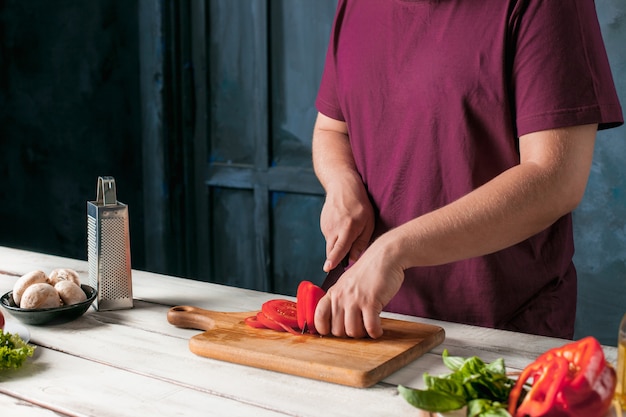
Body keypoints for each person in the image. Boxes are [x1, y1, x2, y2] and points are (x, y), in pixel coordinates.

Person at [311, 0, 623, 340]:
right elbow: (331, 129)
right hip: (366, 320)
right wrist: (341, 183)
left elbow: (556, 179)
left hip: (500, 330)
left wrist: (394, 250)